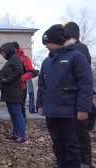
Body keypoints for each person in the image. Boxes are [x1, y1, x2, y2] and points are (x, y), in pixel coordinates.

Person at [37, 24, 93, 168]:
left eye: (47, 42)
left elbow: (85, 84)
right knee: (57, 143)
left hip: (70, 112)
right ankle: (60, 163)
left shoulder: (76, 57)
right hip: (52, 111)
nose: (45, 46)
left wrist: (83, 108)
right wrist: (40, 104)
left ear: (56, 40)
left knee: (72, 145)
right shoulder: (47, 61)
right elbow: (42, 85)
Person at [63, 21, 95, 168]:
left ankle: (85, 162)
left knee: (81, 132)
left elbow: (84, 78)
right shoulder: (66, 49)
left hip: (77, 97)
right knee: (72, 133)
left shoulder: (79, 48)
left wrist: (84, 104)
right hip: (70, 98)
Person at [0, 42, 26, 144]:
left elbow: (19, 71)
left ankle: (22, 136)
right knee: (13, 114)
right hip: (8, 92)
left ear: (8, 50)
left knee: (17, 114)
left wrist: (7, 80)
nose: (3, 55)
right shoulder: (10, 60)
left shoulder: (15, 58)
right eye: (1, 53)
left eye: (3, 52)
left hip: (14, 92)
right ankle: (16, 134)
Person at [12, 41, 34, 120]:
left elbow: (30, 72)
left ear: (15, 49)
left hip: (21, 87)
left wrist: (20, 79)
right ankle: (16, 126)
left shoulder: (25, 58)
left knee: (20, 107)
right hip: (12, 88)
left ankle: (22, 126)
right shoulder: (10, 58)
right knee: (13, 108)